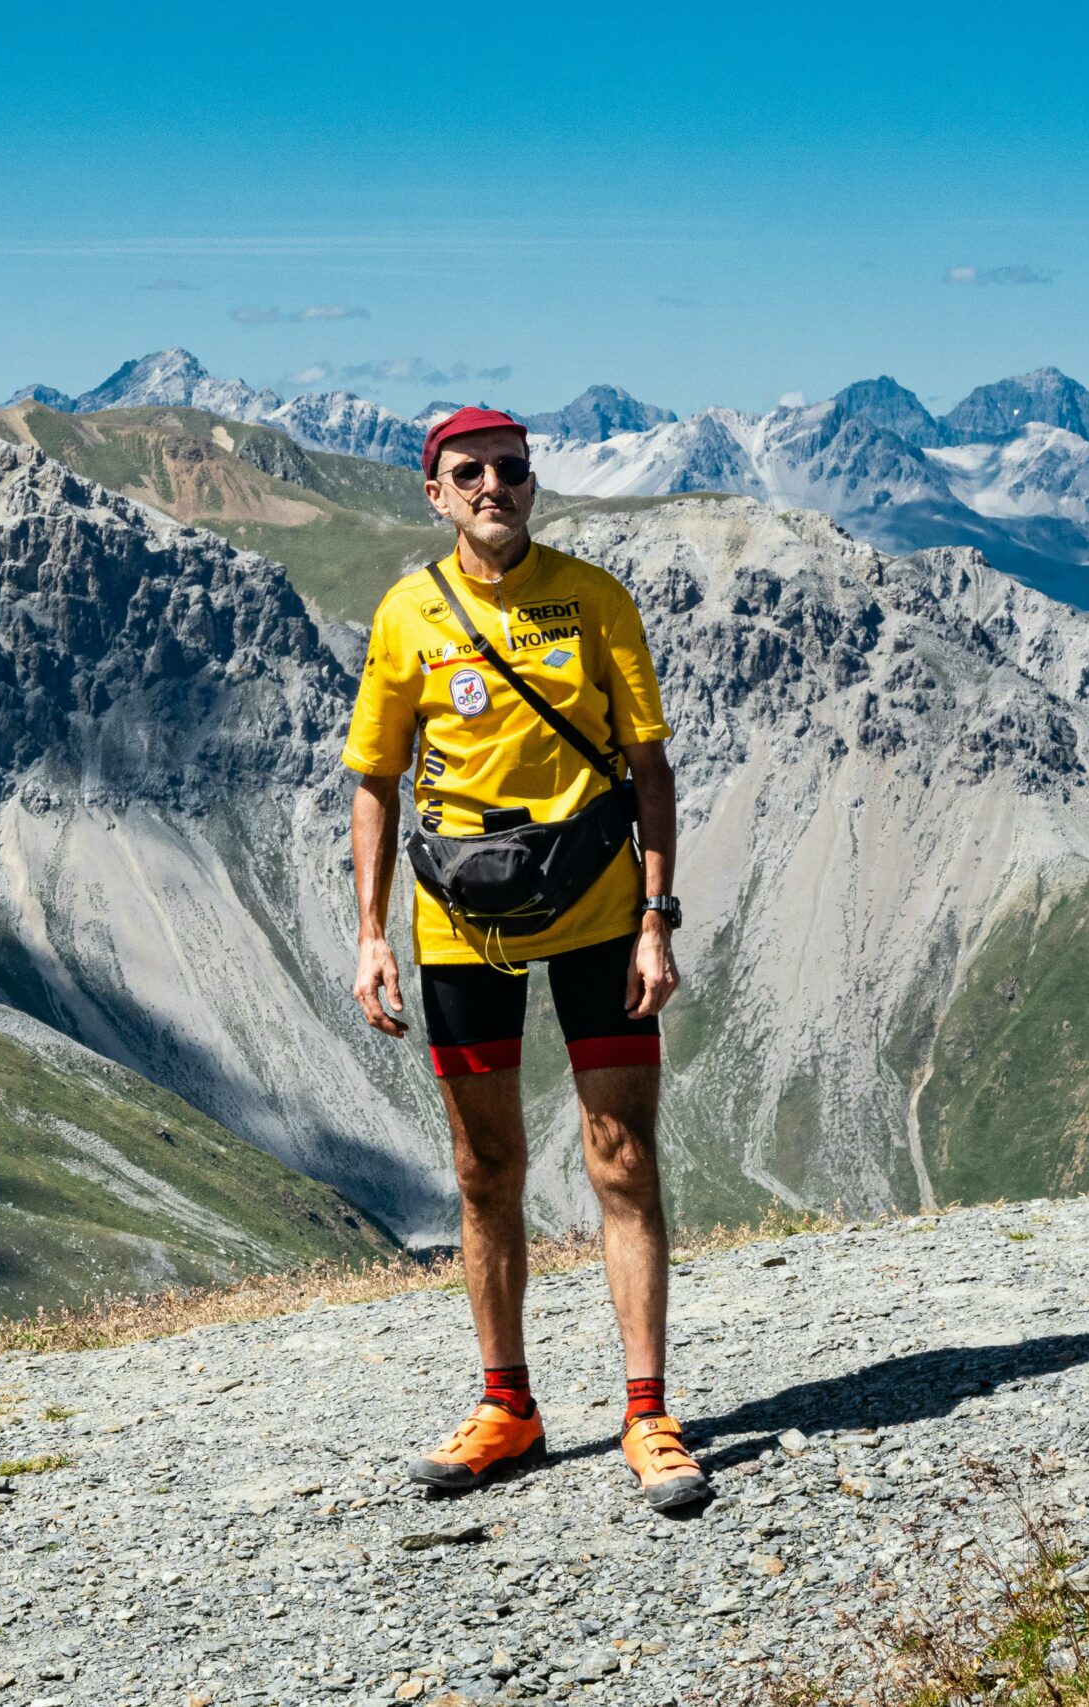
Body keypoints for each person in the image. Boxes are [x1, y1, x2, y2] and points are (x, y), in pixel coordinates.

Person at [341, 405, 708, 1512]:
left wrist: (656, 917)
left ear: (530, 483)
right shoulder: (406, 614)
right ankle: (509, 1407)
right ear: (435, 495)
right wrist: (368, 934)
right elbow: (375, 779)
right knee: (483, 1172)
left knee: (621, 1160)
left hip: (600, 914)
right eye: (470, 474)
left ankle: (648, 1414)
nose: (494, 487)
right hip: (459, 929)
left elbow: (647, 765)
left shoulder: (594, 598)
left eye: (510, 470)